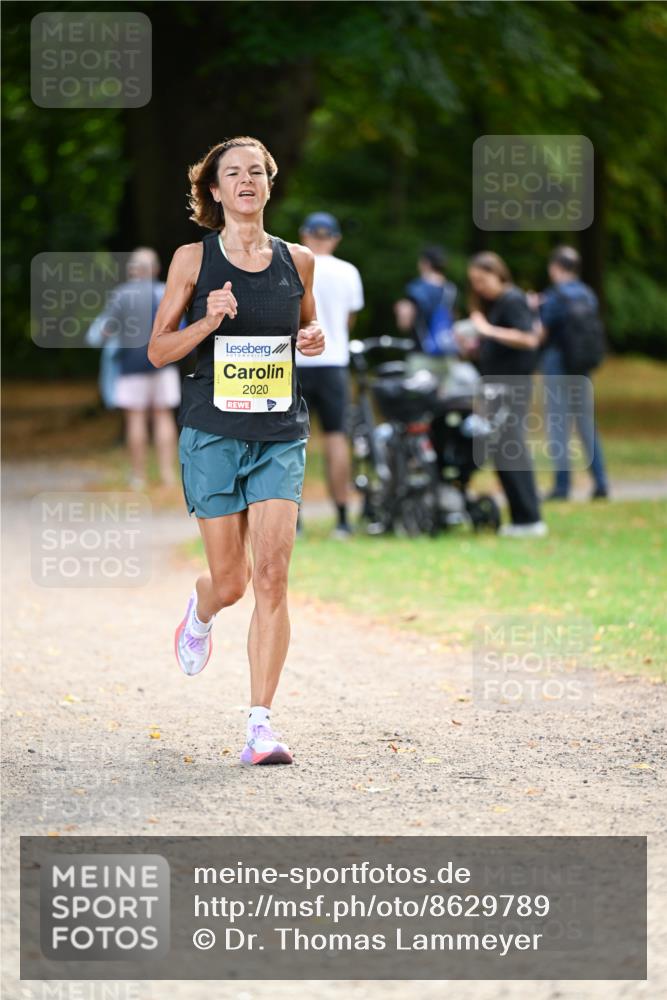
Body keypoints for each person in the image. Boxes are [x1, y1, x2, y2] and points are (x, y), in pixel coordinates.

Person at [147, 136, 324, 766]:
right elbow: (159, 350)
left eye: (257, 172)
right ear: (215, 191)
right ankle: (200, 611)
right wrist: (207, 321)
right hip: (213, 432)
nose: (246, 181)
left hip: (278, 433)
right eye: (233, 174)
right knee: (233, 581)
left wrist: (312, 337)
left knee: (273, 577)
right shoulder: (193, 260)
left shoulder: (298, 260)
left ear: (269, 186)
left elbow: (306, 323)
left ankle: (260, 727)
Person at [457, 251, 548, 538]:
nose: (479, 286)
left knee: (510, 449)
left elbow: (528, 338)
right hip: (495, 384)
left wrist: (488, 330)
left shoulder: (512, 299)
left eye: (483, 279)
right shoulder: (495, 303)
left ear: (499, 274)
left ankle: (530, 518)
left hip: (512, 385)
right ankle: (522, 519)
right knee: (501, 449)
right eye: (474, 282)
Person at [296, 211, 364, 539]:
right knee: (336, 438)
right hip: (334, 361)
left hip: (297, 361)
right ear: (335, 238)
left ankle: (294, 519)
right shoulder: (349, 271)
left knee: (294, 442)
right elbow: (349, 320)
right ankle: (342, 519)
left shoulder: (294, 264)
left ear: (305, 235)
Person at [103, 248, 182, 490]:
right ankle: (168, 475)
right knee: (163, 415)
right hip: (164, 364)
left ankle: (138, 477)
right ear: (156, 270)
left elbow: (107, 330)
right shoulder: (165, 292)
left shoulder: (121, 295)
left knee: (135, 418)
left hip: (131, 365)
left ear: (132, 270)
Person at [538, 246, 609, 501]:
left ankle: (561, 486)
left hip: (557, 362)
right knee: (585, 423)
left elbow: (541, 332)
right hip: (582, 365)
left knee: (559, 425)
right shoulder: (588, 294)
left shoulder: (554, 295)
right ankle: (601, 482)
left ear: (555, 267)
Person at [394, 245, 457, 370]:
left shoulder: (416, 288)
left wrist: (400, 311)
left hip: (421, 356)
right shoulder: (451, 290)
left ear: (425, 263)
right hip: (447, 356)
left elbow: (405, 324)